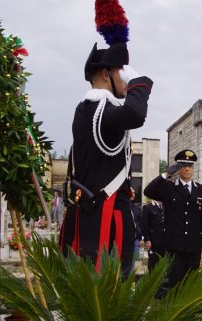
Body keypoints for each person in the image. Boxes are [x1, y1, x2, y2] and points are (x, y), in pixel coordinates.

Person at [59, 42, 153, 278]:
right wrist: (138, 82)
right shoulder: (97, 109)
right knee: (105, 292)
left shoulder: (93, 110)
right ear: (105, 74)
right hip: (103, 221)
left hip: (102, 217)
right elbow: (135, 114)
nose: (125, 80)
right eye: (122, 72)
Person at [144, 149, 202, 296]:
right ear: (178, 168)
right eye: (183, 165)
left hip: (193, 246)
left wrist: (200, 238)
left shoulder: (201, 190)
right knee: (174, 284)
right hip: (174, 246)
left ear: (193, 168)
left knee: (190, 284)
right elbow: (148, 191)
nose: (186, 168)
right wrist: (166, 174)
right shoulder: (168, 187)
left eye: (189, 165)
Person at [140, 199, 164, 272]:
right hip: (153, 242)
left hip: (165, 241)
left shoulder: (165, 207)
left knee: (163, 263)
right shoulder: (148, 207)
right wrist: (147, 240)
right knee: (153, 264)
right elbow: (144, 225)